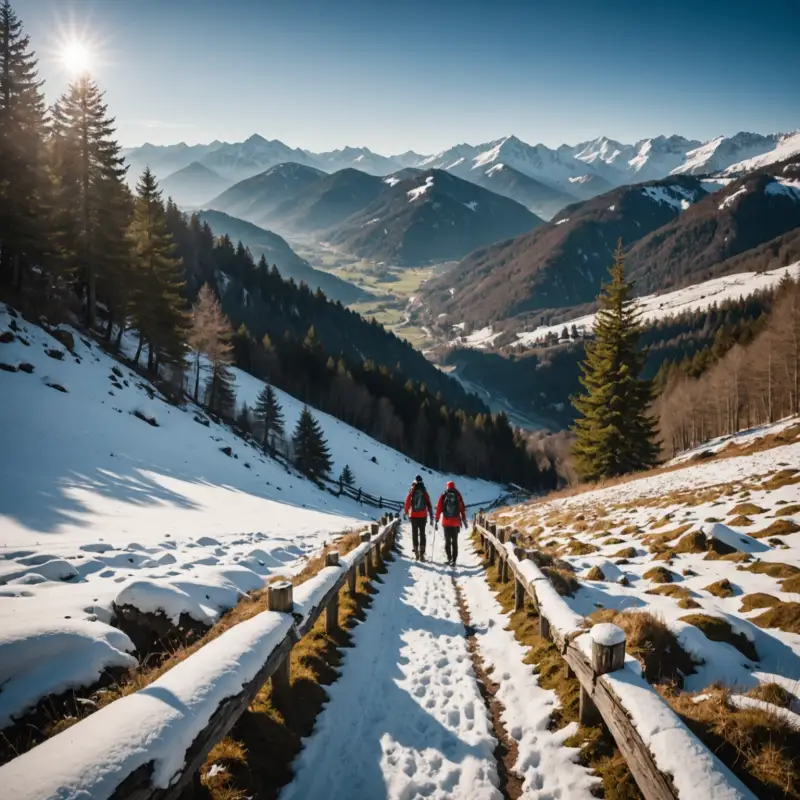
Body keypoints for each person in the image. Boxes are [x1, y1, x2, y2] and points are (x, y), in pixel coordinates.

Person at [435, 480, 467, 566]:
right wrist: (463, 518)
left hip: (446, 521)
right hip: (456, 522)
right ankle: (454, 560)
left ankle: (449, 558)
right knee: (455, 541)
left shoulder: (443, 495)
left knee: (447, 541)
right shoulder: (458, 495)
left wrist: (437, 519)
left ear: (447, 486)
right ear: (454, 486)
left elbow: (439, 508)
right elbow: (461, 508)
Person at [404, 474, 433, 561]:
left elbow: (408, 501)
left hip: (413, 515)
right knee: (422, 533)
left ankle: (416, 552)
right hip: (423, 515)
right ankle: (422, 554)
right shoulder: (424, 490)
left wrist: (406, 511)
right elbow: (428, 502)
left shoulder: (412, 490)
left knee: (415, 533)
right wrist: (431, 514)